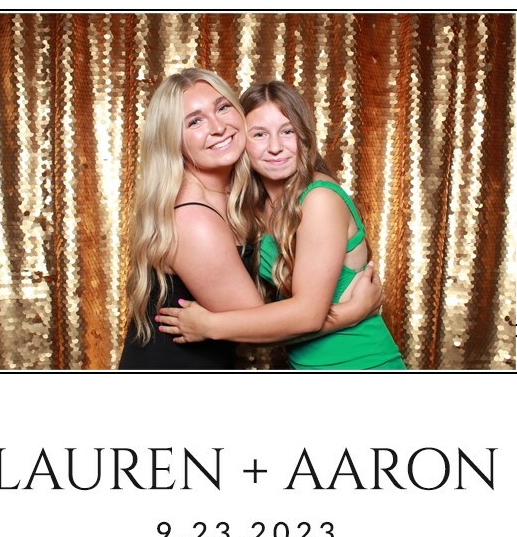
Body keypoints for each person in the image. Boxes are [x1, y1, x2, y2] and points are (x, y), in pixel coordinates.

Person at [119, 68, 382, 370]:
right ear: (172, 140)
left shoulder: (246, 199)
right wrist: (354, 311)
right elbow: (267, 325)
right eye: (195, 121)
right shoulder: (195, 219)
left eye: (222, 107)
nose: (218, 127)